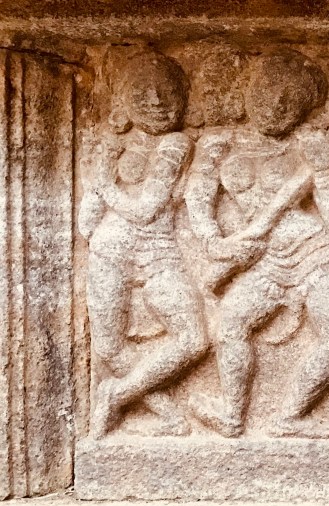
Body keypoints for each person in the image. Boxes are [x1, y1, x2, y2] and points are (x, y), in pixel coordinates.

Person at [185, 49, 329, 439]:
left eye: (290, 98)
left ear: (305, 106)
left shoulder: (314, 144)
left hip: (314, 253)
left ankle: (290, 415)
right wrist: (214, 243)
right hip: (261, 259)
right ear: (246, 91)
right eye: (266, 91)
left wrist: (324, 171)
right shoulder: (221, 144)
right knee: (230, 325)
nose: (276, 104)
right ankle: (232, 414)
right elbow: (197, 196)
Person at [80, 50, 209, 439]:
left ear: (182, 96)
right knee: (109, 348)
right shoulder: (110, 147)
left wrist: (103, 183)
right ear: (123, 100)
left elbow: (147, 210)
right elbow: (86, 223)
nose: (155, 100)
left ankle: (117, 395)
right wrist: (99, 178)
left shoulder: (175, 144)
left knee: (194, 339)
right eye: (142, 91)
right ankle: (166, 414)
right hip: (110, 251)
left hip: (158, 251)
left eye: (165, 90)